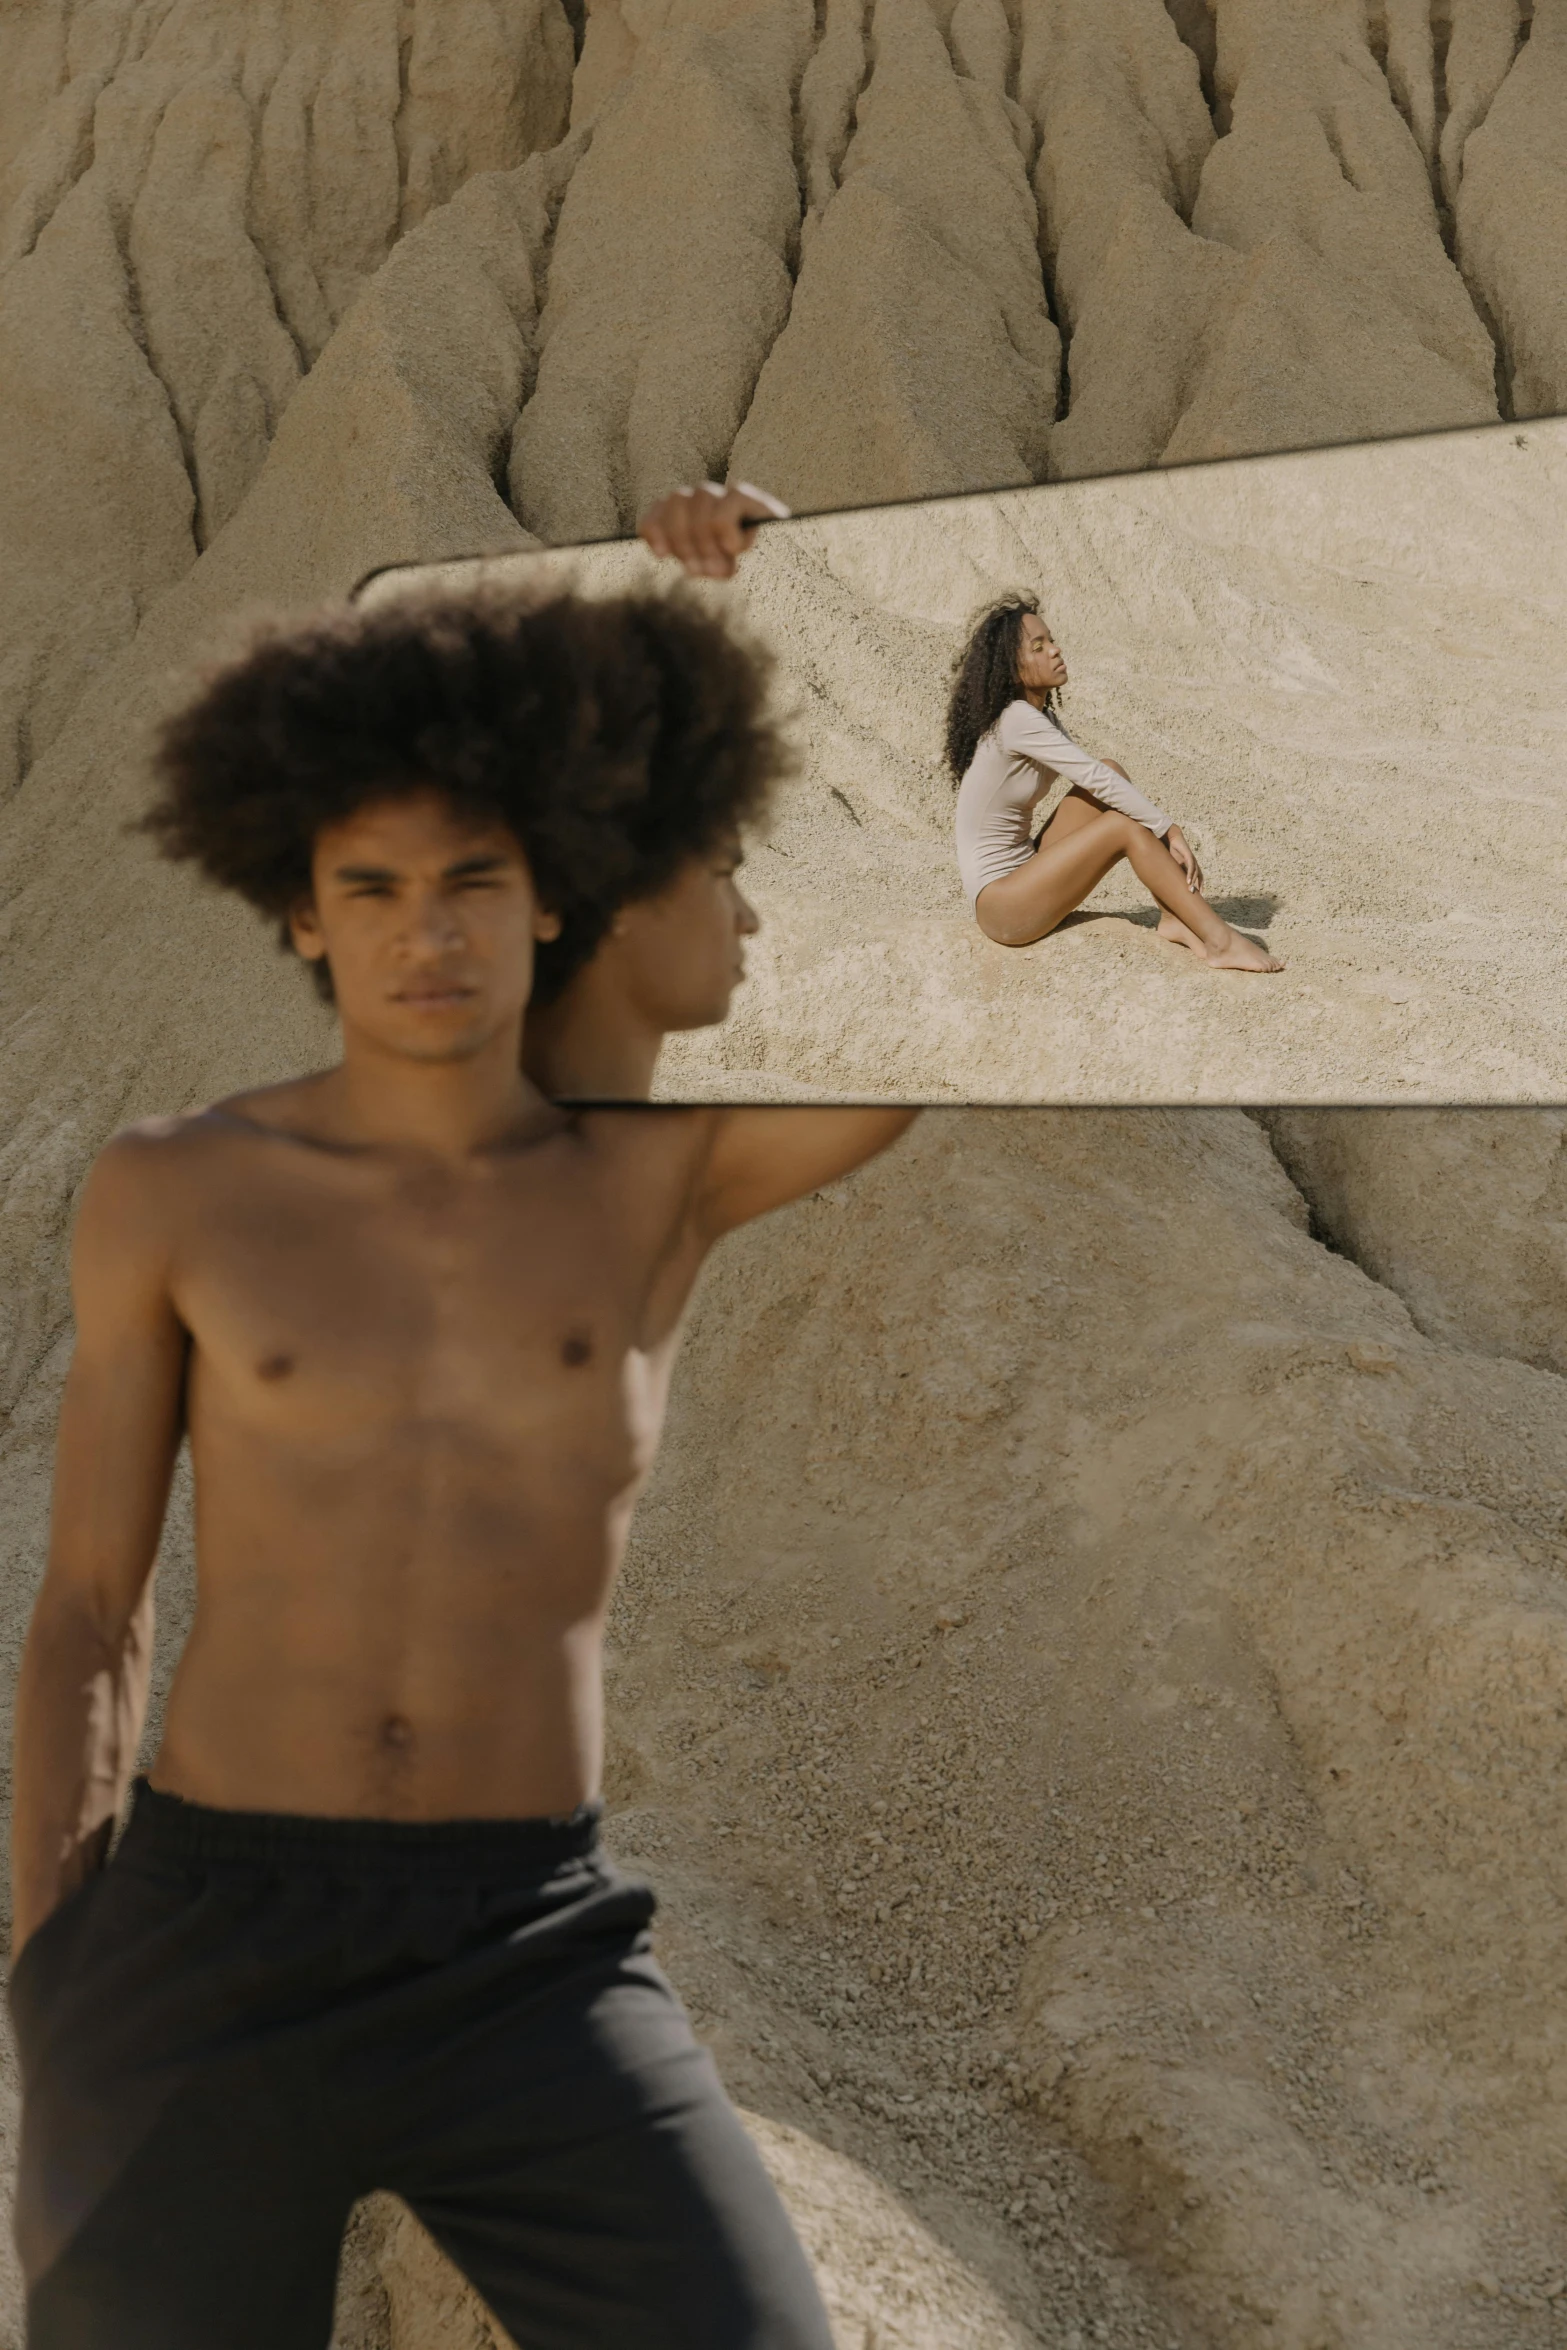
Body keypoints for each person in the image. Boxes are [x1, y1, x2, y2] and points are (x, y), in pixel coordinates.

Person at [7, 579, 914, 2349]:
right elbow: (90, 1608)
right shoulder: (176, 1191)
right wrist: (54, 1960)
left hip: (526, 1947)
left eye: (473, 881)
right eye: (374, 889)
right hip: (205, 1939)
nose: (427, 934)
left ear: (550, 892)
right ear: (301, 915)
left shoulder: (663, 1179)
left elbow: (961, 999)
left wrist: (749, 591)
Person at [949, 596, 1284, 973]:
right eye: (1038, 647)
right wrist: (1169, 829)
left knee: (1111, 771)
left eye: (1052, 640)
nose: (1055, 650)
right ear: (1011, 670)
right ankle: (1220, 942)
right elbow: (1091, 778)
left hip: (1025, 870)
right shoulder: (1015, 720)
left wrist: (1160, 830)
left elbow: (1102, 777)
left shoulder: (1040, 718)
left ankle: (1172, 914)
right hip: (1002, 908)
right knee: (1120, 823)